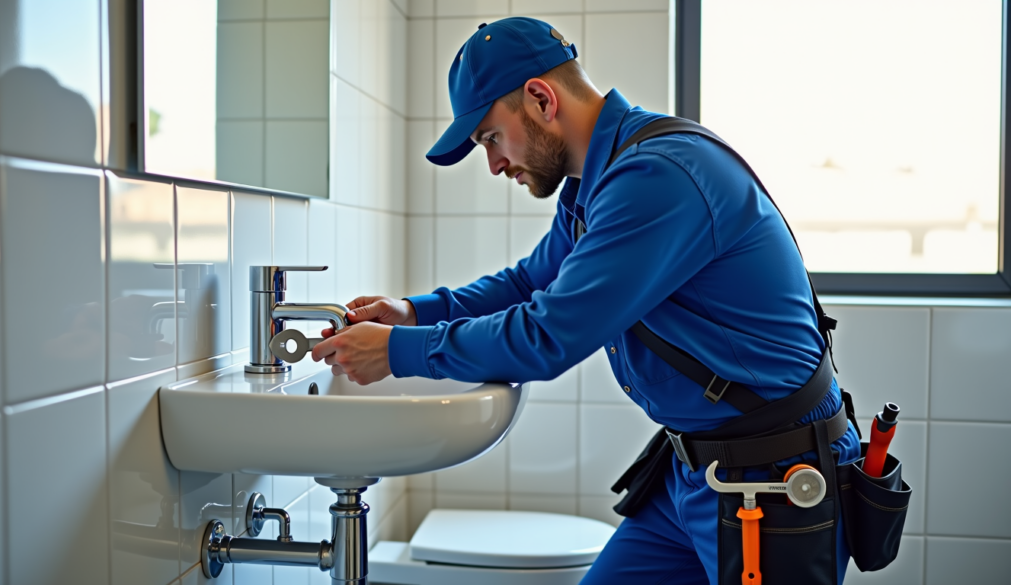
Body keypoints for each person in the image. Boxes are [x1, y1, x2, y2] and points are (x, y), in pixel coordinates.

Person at [311, 16, 861, 584]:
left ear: (541, 99)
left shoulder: (657, 177)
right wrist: (415, 311)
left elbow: (548, 335)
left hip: (771, 476)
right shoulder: (593, 185)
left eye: (491, 138)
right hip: (694, 469)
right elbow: (530, 283)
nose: (495, 163)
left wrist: (398, 351)